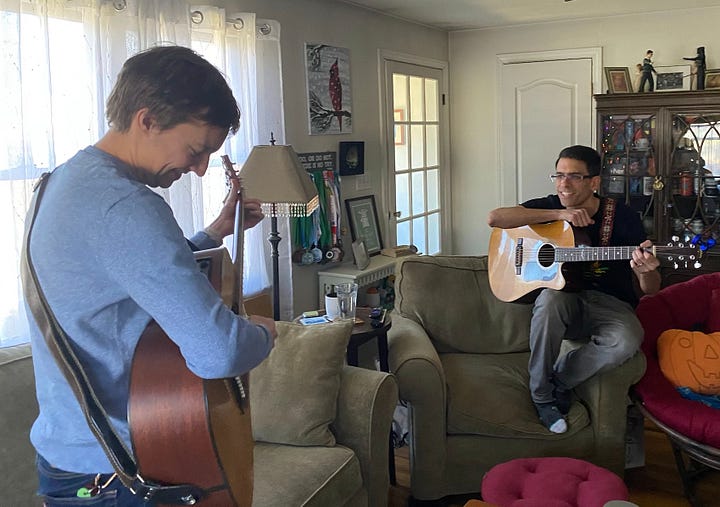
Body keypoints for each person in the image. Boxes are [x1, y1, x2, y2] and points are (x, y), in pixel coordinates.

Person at [24, 46, 277, 505]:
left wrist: (213, 232)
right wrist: (264, 332)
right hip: (120, 472)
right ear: (147, 120)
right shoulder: (125, 206)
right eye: (196, 150)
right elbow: (218, 352)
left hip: (73, 462)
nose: (199, 169)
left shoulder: (62, 182)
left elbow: (121, 273)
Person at [487, 145, 661, 434]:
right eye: (559, 175)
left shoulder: (623, 217)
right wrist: (559, 214)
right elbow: (495, 218)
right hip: (565, 298)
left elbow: (650, 290)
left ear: (594, 182)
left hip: (610, 303)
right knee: (549, 300)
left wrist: (647, 271)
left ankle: (561, 380)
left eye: (574, 177)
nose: (563, 184)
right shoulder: (549, 205)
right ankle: (542, 396)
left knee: (628, 339)